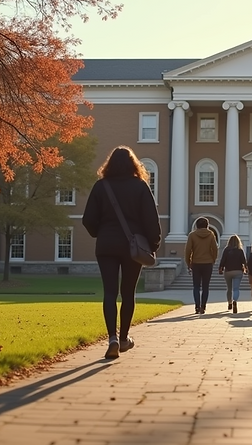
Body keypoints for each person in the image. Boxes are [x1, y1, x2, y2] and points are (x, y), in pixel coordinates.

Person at [82, 146, 162, 359]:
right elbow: (151, 221)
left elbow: (87, 219)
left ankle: (112, 338)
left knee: (109, 292)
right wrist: (153, 245)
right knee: (128, 293)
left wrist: (101, 232)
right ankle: (124, 338)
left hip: (106, 245)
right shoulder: (140, 187)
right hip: (133, 246)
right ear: (133, 164)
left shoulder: (101, 186)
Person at [185, 217, 218, 314]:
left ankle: (197, 306)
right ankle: (203, 306)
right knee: (205, 286)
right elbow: (215, 249)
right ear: (207, 225)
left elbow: (188, 250)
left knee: (196, 286)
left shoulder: (192, 235)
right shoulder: (211, 234)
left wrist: (188, 262)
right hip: (208, 263)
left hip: (196, 263)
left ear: (196, 225)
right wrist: (213, 260)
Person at [218, 234, 247, 313]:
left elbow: (223, 260)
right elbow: (243, 261)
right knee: (236, 288)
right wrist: (246, 269)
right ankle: (235, 301)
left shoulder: (226, 249)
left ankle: (229, 303)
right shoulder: (240, 250)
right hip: (238, 271)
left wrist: (220, 268)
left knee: (229, 289)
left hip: (228, 271)